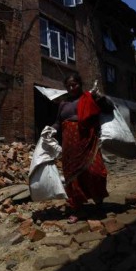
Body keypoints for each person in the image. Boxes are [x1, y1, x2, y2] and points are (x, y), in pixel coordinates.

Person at [52, 73, 112, 223]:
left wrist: (100, 97)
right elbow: (58, 122)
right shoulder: (63, 104)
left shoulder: (90, 98)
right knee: (73, 177)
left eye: (74, 85)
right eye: (68, 86)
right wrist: (50, 130)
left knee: (96, 172)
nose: (72, 88)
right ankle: (78, 210)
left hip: (88, 141)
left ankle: (99, 204)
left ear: (80, 84)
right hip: (69, 145)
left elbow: (109, 108)